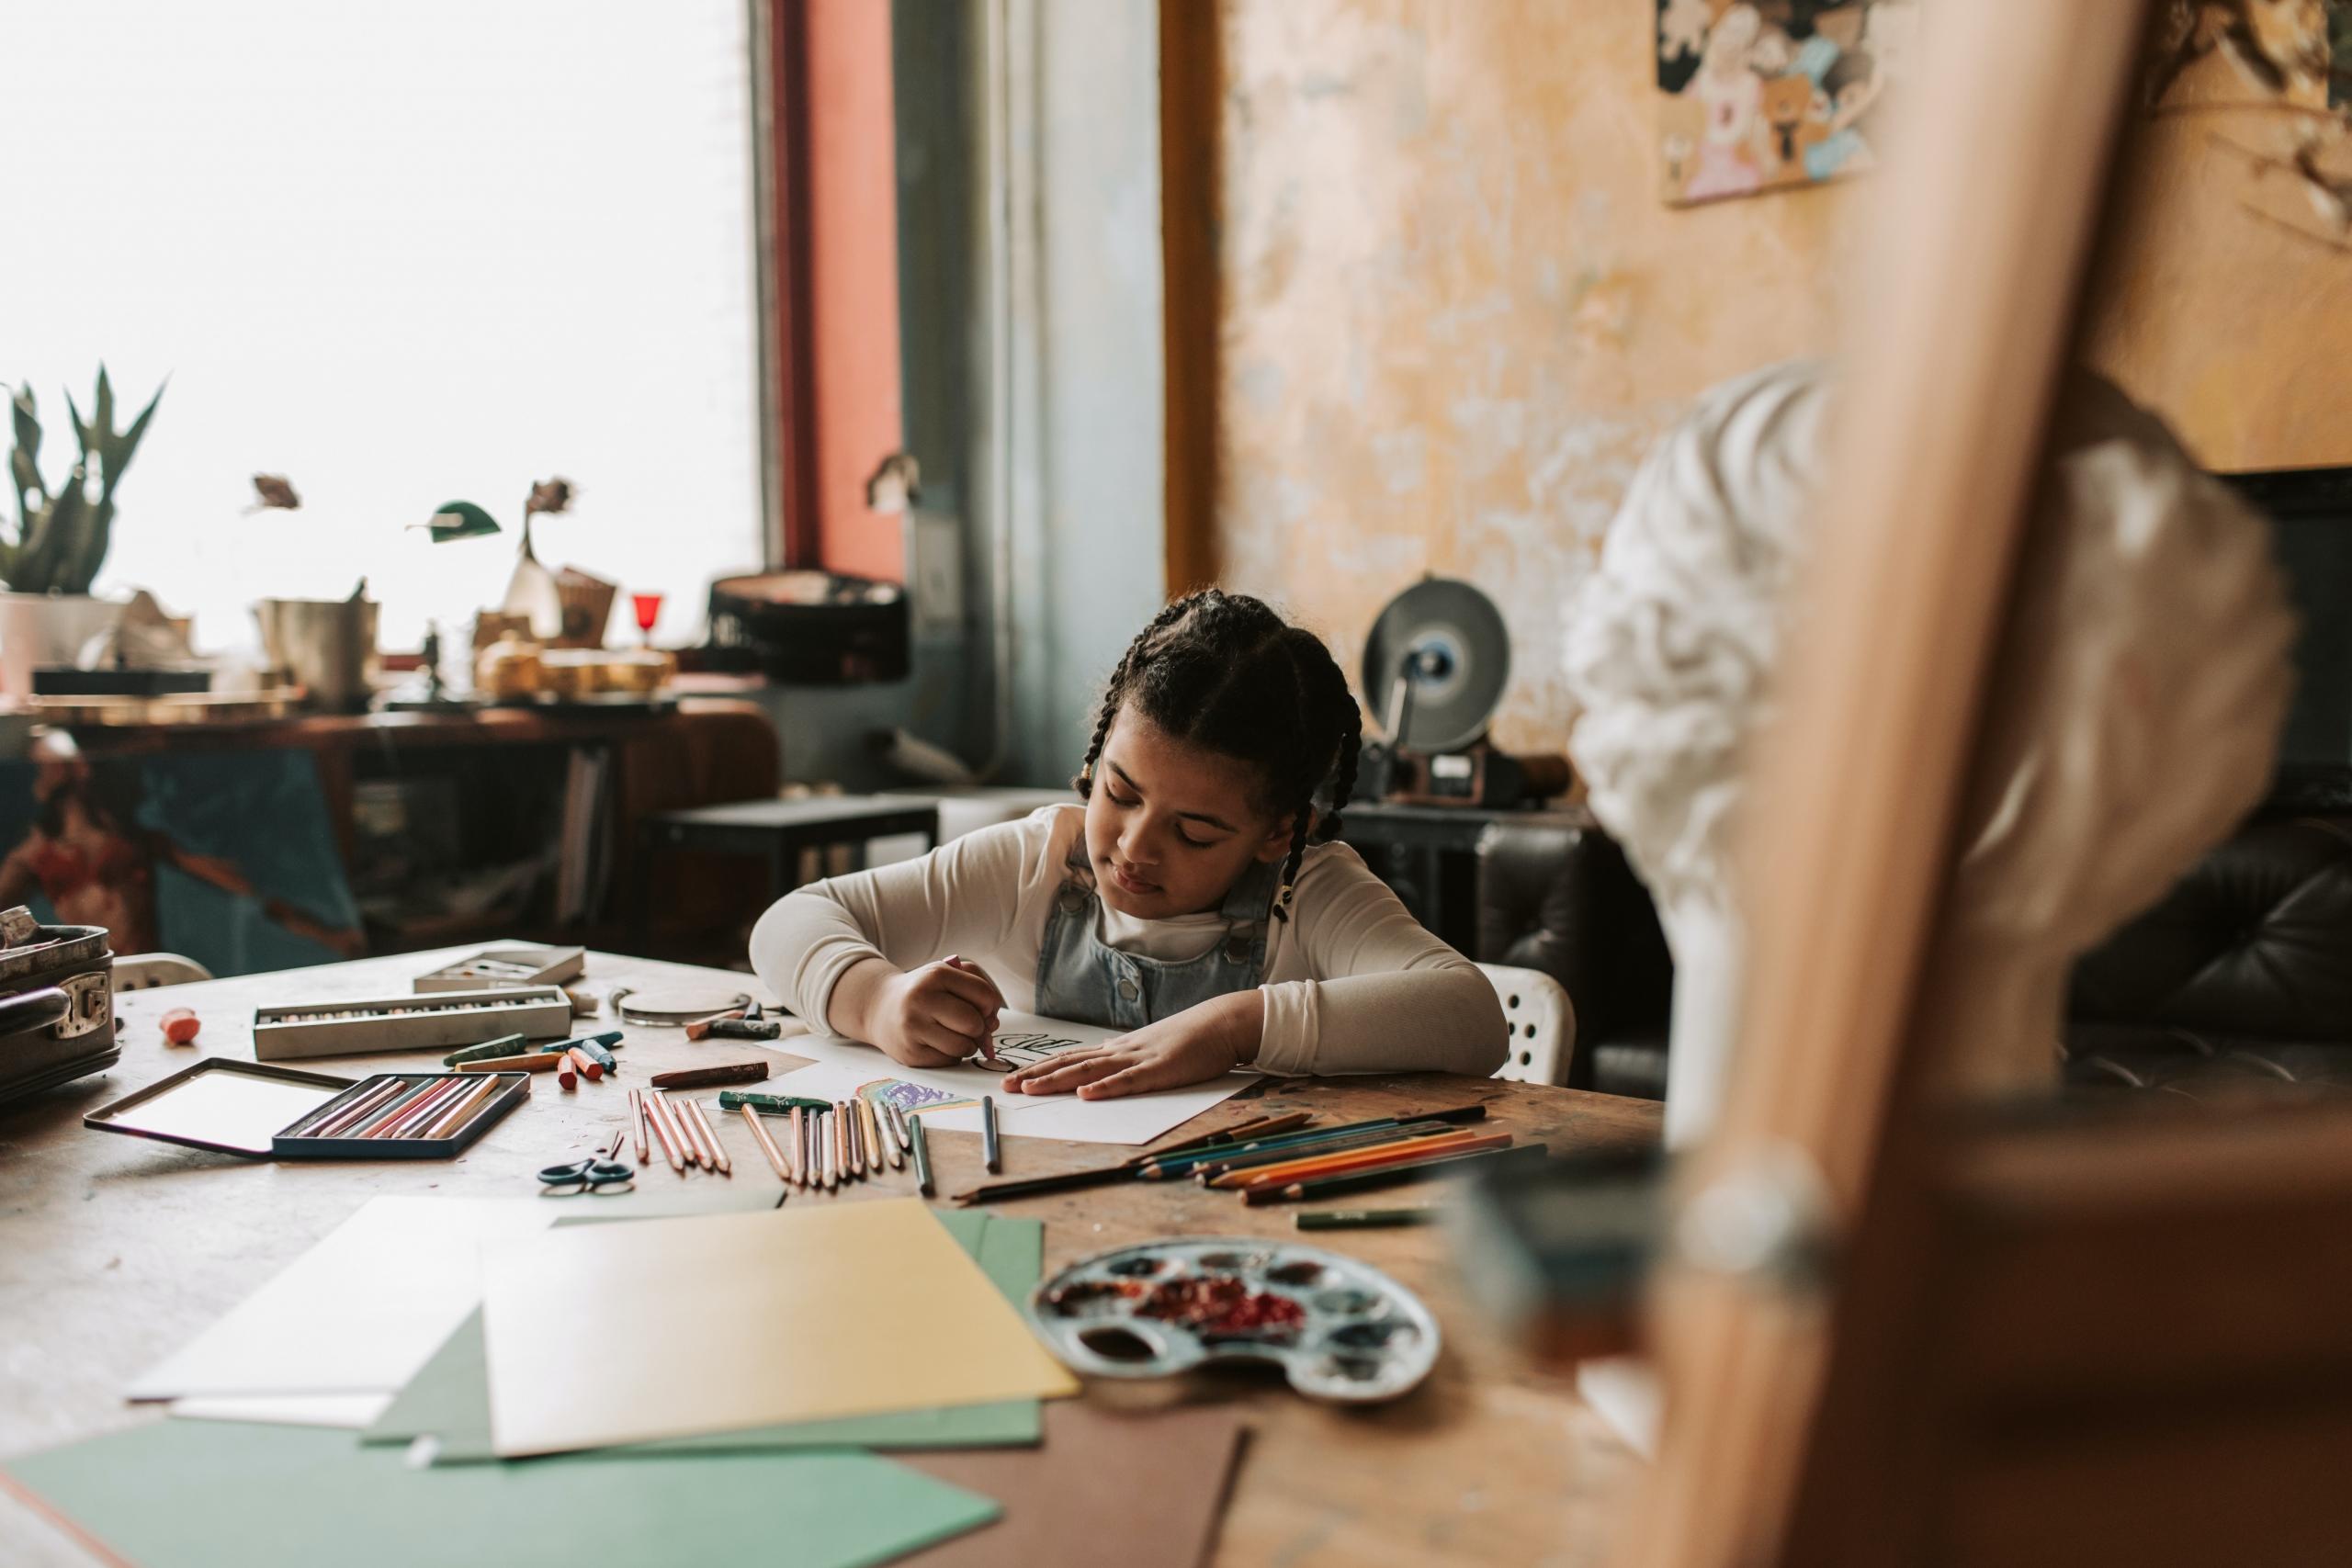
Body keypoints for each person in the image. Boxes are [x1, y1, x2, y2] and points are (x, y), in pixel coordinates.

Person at [750, 590, 1508, 1100]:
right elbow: (789, 919)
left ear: (1280, 830)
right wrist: (878, 1000)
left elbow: (1473, 1015)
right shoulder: (1034, 864)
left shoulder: (1304, 890)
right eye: (1120, 792)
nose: (1134, 848)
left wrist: (1237, 1023)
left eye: (1195, 831)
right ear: (1099, 747)